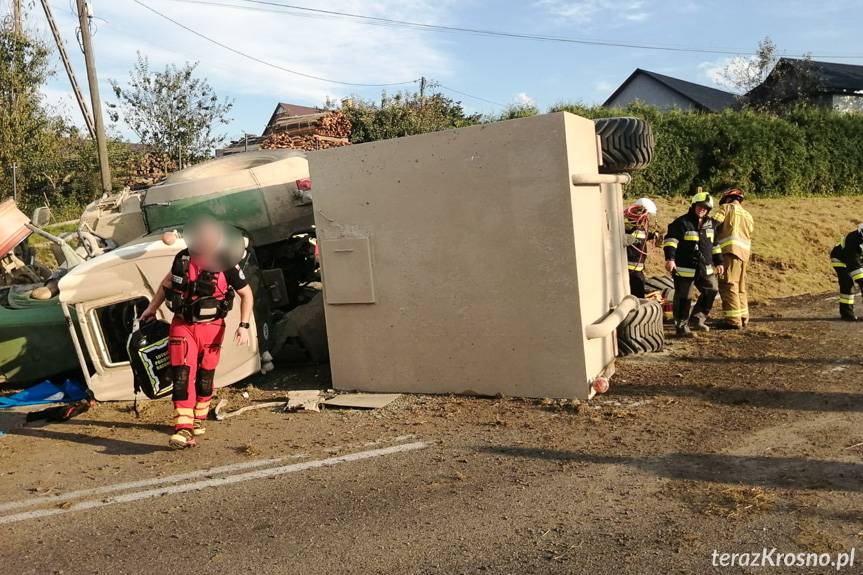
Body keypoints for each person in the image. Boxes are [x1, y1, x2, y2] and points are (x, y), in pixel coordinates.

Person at [139, 218, 254, 449]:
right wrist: (151, 308)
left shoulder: (227, 261)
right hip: (183, 325)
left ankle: (199, 416)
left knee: (205, 376)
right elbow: (167, 282)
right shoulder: (182, 258)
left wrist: (244, 326)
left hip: (212, 328)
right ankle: (183, 427)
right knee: (182, 374)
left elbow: (247, 294)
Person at [663, 191, 724, 337]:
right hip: (685, 269)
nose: (702, 209)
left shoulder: (710, 225)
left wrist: (719, 262)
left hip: (705, 268)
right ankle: (682, 327)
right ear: (693, 206)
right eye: (700, 206)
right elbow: (671, 241)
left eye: (705, 207)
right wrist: (670, 259)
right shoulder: (681, 223)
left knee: (712, 289)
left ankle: (697, 319)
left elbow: (715, 245)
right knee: (684, 298)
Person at [712, 188, 754, 329]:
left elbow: (713, 225)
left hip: (729, 252)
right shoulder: (748, 215)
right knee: (740, 286)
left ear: (727, 198)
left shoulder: (726, 208)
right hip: (744, 255)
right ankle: (743, 317)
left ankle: (732, 320)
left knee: (728, 284)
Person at [623, 197, 659, 298]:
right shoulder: (629, 228)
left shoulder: (640, 229)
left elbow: (643, 237)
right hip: (630, 272)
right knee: (636, 298)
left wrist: (653, 235)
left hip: (638, 270)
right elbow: (634, 237)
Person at [830, 224, 863, 321]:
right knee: (847, 284)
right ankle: (847, 314)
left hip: (857, 261)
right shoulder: (853, 240)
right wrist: (861, 281)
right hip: (841, 259)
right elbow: (853, 264)